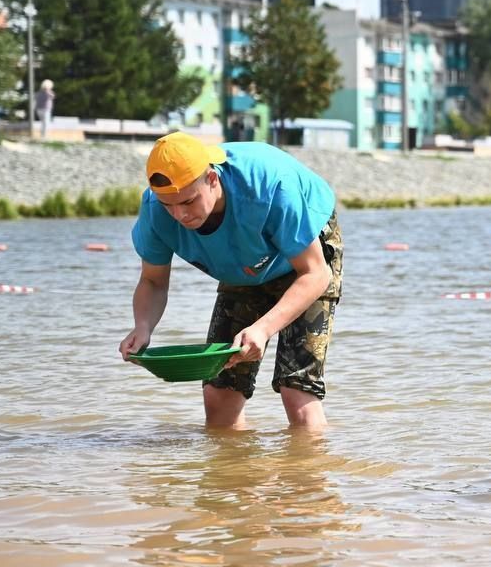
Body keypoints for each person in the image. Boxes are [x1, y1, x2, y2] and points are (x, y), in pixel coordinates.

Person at [118, 132, 343, 430]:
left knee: (297, 390)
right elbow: (153, 282)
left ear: (212, 179)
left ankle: (306, 474)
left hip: (305, 257)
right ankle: (236, 475)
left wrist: (262, 329)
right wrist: (143, 326)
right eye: (168, 205)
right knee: (219, 393)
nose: (180, 215)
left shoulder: (269, 187)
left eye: (188, 201)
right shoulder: (155, 211)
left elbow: (315, 274)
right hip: (244, 265)